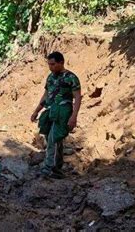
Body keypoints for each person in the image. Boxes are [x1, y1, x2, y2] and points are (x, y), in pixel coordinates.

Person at [31, 51, 82, 179]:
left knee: (54, 138)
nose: (51, 67)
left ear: (61, 62)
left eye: (53, 64)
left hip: (63, 111)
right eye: (49, 64)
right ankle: (57, 167)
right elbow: (46, 94)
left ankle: (49, 168)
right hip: (50, 109)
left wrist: (73, 117)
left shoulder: (71, 78)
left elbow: (77, 97)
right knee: (50, 138)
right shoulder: (51, 77)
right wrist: (37, 110)